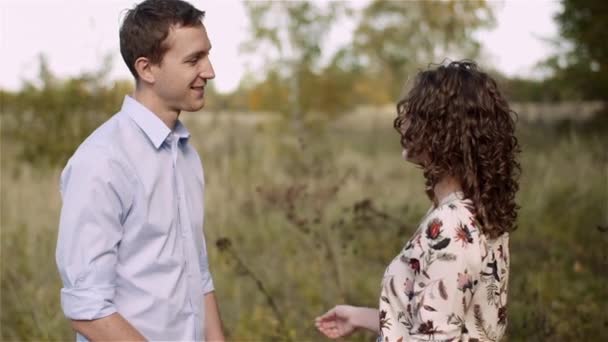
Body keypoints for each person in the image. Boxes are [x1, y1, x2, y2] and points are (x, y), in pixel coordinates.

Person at [55, 0, 224, 340]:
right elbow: (87, 310)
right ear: (147, 69)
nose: (209, 71)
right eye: (194, 59)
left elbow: (197, 272)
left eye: (206, 55)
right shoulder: (102, 160)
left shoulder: (186, 154)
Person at [315, 61, 521, 341]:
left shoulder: (451, 226)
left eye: (417, 114)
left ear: (445, 130)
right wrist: (359, 316)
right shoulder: (471, 211)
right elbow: (438, 323)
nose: (405, 122)